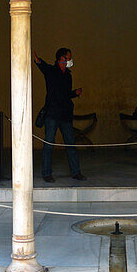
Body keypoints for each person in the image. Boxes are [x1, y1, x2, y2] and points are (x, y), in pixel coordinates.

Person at [34, 47, 86, 182]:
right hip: (52, 113)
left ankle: (76, 172)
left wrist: (75, 93)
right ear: (62, 59)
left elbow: (66, 94)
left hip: (65, 114)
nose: (70, 60)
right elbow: (42, 65)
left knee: (71, 144)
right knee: (48, 144)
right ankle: (47, 173)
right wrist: (37, 59)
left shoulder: (68, 75)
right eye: (68, 57)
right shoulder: (51, 71)